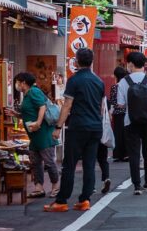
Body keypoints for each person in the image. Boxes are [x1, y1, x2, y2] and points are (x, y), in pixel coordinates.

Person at [45, 48, 105, 212]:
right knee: (89, 163)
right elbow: (100, 108)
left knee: (69, 164)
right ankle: (85, 199)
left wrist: (58, 127)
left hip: (78, 126)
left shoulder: (74, 80)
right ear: (91, 61)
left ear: (77, 61)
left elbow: (67, 105)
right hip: (95, 127)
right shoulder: (98, 81)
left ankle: (62, 200)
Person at [120, 51, 147, 194]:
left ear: (130, 64)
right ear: (144, 65)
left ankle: (136, 185)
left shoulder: (123, 81)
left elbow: (120, 105)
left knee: (133, 153)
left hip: (130, 121)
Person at [15, 72, 59, 199]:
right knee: (35, 162)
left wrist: (39, 123)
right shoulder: (27, 94)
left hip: (43, 133)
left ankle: (55, 186)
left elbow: (42, 106)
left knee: (49, 161)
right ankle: (39, 187)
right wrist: (16, 114)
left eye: (18, 82)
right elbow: (29, 112)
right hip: (34, 135)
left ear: (23, 82)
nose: (17, 85)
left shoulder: (34, 91)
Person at [109, 66, 129, 162]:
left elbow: (112, 101)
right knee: (126, 133)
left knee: (117, 134)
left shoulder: (114, 87)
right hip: (126, 112)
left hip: (117, 113)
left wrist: (110, 113)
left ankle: (117, 154)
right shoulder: (127, 86)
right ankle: (126, 154)